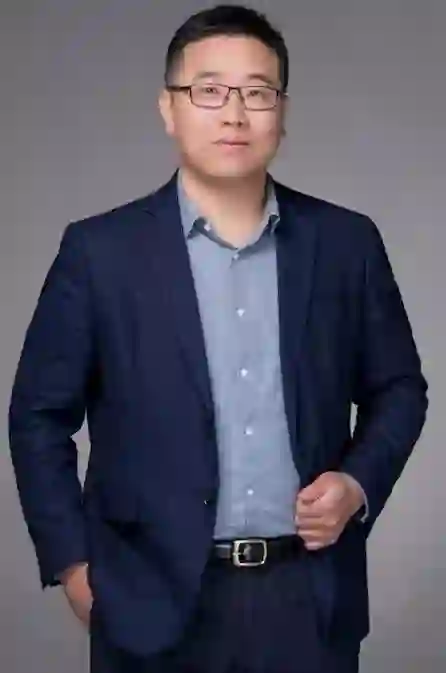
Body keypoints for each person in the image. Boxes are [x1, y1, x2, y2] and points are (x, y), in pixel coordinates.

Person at [8, 4, 428, 673]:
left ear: (282, 113)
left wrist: (356, 483)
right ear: (168, 108)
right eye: (208, 90)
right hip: (148, 599)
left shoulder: (346, 244)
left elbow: (399, 389)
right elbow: (37, 416)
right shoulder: (99, 253)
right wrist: (74, 566)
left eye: (257, 93)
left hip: (308, 599)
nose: (234, 113)